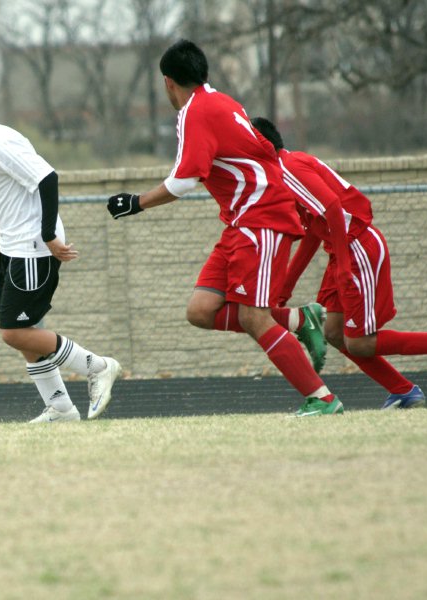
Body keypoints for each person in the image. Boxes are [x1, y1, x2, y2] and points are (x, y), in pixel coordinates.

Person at [106, 39, 343, 417]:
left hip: (261, 217)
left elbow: (184, 181)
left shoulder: (194, 112)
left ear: (168, 82)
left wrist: (136, 202)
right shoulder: (223, 102)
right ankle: (300, 319)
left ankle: (323, 398)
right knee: (201, 310)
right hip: (241, 222)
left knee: (253, 317)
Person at [0, 84, 121, 423]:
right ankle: (61, 409)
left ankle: (99, 367)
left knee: (14, 332)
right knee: (24, 332)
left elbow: (48, 178)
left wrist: (48, 236)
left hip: (33, 249)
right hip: (12, 248)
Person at [251, 116, 427, 409]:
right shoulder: (285, 169)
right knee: (334, 333)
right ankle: (403, 391)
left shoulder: (286, 169)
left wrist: (341, 266)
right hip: (343, 250)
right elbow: (313, 234)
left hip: (357, 248)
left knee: (360, 342)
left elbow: (333, 207)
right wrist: (285, 287)